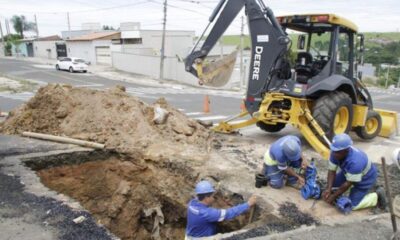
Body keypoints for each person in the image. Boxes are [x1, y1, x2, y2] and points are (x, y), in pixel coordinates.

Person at [322, 133, 386, 211]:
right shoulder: (336, 152)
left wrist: (333, 197)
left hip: (366, 178)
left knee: (351, 205)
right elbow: (331, 171)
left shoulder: (356, 162)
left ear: (346, 151)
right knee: (333, 186)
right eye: (333, 150)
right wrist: (329, 189)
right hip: (349, 172)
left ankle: (376, 196)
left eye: (337, 152)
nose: (334, 154)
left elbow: (348, 183)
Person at [185, 180, 257, 239]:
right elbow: (229, 213)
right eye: (213, 196)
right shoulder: (207, 213)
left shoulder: (192, 203)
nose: (214, 198)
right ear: (206, 198)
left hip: (190, 236)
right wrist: (248, 204)